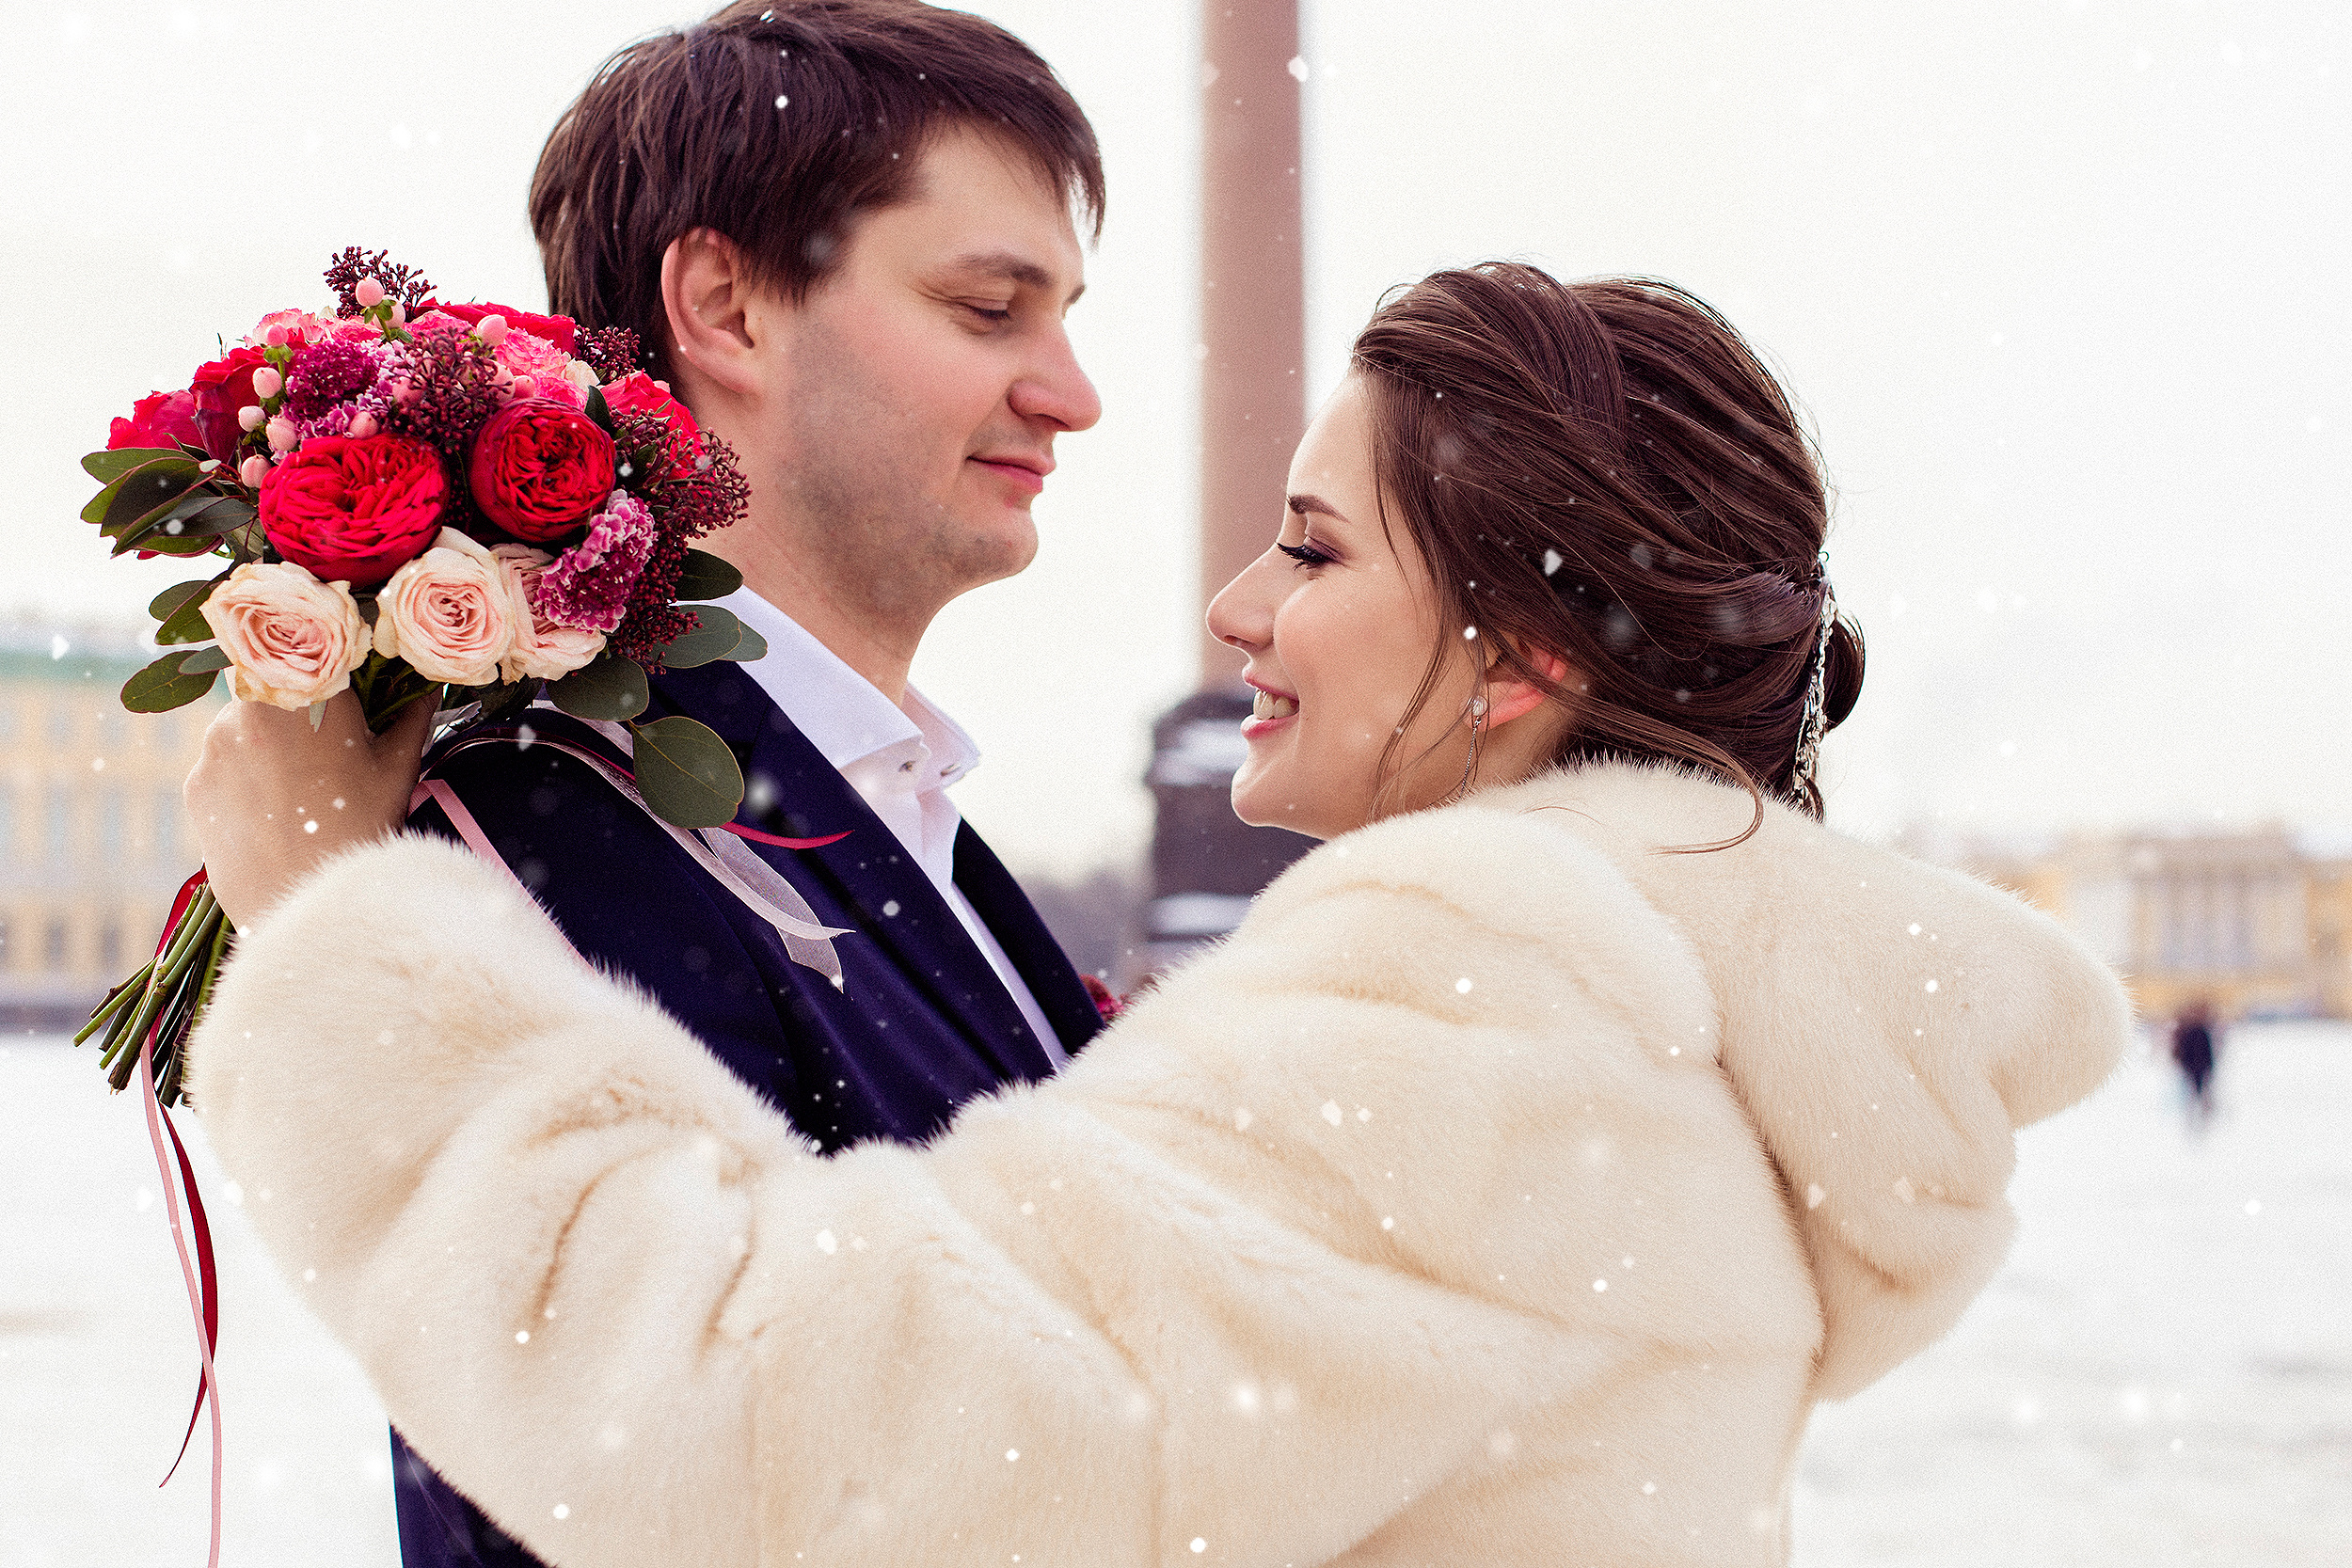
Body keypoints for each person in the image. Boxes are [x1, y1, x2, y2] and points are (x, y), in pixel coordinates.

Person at [184, 266, 2132, 1566]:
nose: (1233, 608)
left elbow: (762, 1414)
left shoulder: (1485, 1003)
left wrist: (347, 924)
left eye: (1311, 545)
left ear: (1517, 647)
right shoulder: (1669, 1029)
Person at [303, 4, 1114, 1563]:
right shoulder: (565, 832)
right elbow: (663, 1481)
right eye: (988, 309)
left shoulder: (893, 804)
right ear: (726, 306)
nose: (1072, 393)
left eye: (1065, 316)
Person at [2169, 998, 2221, 1124]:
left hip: (2196, 1065)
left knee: (2198, 1090)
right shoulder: (2191, 1030)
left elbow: (2205, 1050)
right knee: (2196, 1090)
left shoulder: (2195, 1030)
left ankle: (2201, 1114)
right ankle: (2198, 1114)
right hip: (2194, 1065)